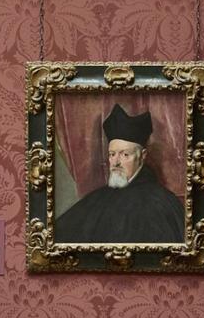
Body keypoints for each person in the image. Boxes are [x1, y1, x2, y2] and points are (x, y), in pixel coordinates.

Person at [53, 104, 185, 243]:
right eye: (112, 154)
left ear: (142, 156)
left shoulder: (161, 202)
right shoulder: (98, 198)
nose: (115, 162)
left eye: (125, 154)